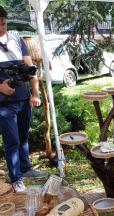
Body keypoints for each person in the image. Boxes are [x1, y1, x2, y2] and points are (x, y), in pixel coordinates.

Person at [0, 6, 45, 193]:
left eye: (3, 24)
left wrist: (35, 93)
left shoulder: (17, 39)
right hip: (3, 104)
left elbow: (30, 68)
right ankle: (16, 178)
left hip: (23, 98)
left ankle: (25, 169)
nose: (1, 28)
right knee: (12, 141)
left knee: (24, 138)